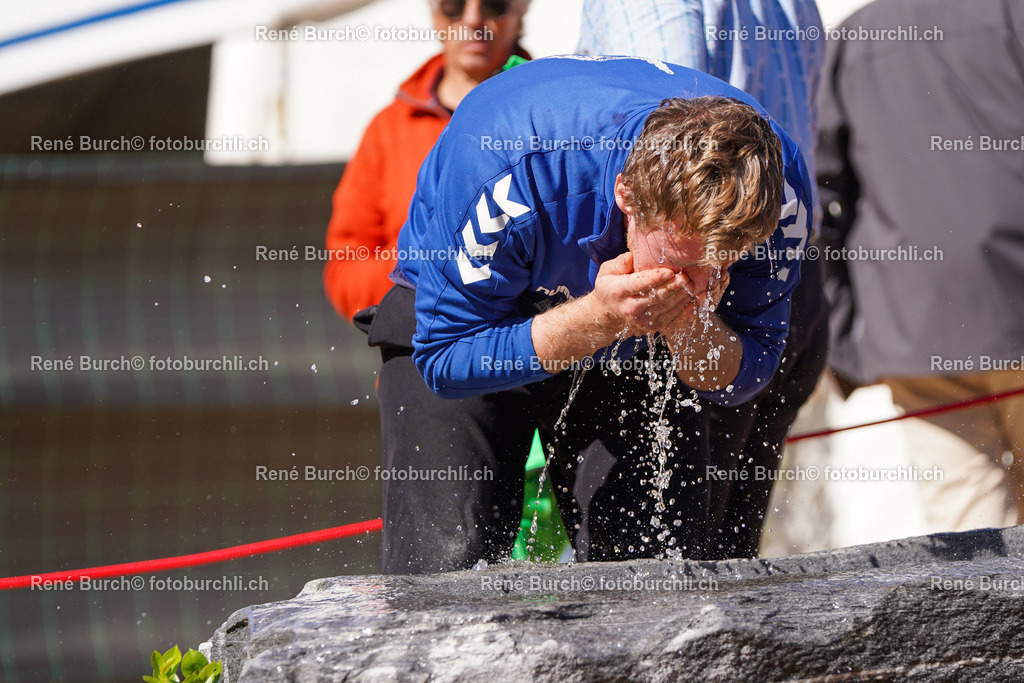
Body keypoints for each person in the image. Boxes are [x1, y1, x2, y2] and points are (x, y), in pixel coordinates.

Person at [372, 55, 814, 574]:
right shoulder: (509, 167)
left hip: (628, 332)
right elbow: (445, 360)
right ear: (627, 195)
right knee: (445, 571)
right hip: (477, 317)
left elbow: (750, 372)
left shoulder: (778, 193)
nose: (703, 286)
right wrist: (599, 319)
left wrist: (690, 326)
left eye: (726, 265)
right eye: (683, 263)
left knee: (656, 577)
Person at [577, 0, 829, 559]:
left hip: (704, 272)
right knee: (727, 558)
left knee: (670, 569)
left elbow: (677, 145)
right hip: (787, 266)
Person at [816, 0, 1024, 533]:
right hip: (1011, 304)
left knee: (973, 540)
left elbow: (818, 194)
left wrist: (844, 340)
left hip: (913, 331)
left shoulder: (854, 38)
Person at [323, 0, 530, 321]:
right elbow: (346, 273)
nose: (473, 20)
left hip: (528, 350)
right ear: (434, 13)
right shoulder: (388, 129)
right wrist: (423, 269)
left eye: (494, 5)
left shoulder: (559, 115)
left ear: (521, 12)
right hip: (417, 348)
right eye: (454, 6)